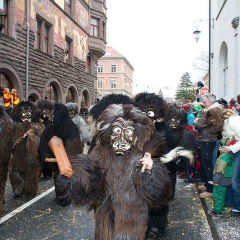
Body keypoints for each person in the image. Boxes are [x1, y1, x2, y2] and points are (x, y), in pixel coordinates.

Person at [206, 107, 240, 217]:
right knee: (229, 179)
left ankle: (238, 207)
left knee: (235, 180)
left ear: (216, 117)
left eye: (212, 120)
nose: (212, 123)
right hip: (232, 150)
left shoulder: (232, 121)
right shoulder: (225, 122)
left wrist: (230, 149)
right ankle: (230, 202)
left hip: (236, 151)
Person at [194, 93, 220, 198]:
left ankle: (210, 189)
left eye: (204, 102)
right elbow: (198, 121)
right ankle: (206, 184)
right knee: (205, 163)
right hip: (205, 138)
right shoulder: (208, 110)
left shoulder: (213, 111)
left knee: (208, 164)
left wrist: (197, 122)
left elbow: (199, 123)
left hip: (209, 139)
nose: (203, 104)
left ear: (211, 102)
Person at [207, 139, 236, 219]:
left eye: (221, 147)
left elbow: (219, 171)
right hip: (226, 178)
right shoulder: (230, 155)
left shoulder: (223, 158)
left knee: (218, 194)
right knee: (221, 194)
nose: (219, 148)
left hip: (221, 180)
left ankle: (218, 211)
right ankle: (220, 208)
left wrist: (215, 181)